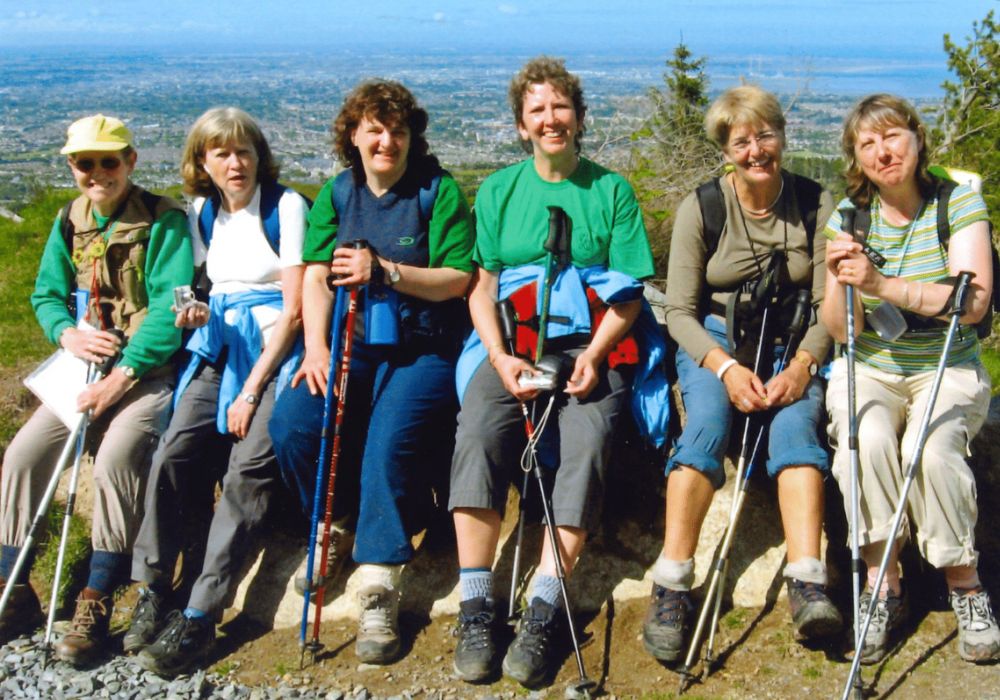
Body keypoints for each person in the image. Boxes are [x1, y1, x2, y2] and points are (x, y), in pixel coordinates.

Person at [449, 56, 659, 688]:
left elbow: (628, 295)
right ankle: (477, 603)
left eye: (560, 107)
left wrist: (594, 358)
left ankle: (545, 602)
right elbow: (482, 288)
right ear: (521, 125)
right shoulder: (499, 190)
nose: (550, 120)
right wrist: (499, 357)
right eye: (537, 110)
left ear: (578, 116)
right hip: (515, 343)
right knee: (480, 433)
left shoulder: (610, 190)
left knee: (587, 441)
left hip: (591, 344)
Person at [268, 80, 475, 665]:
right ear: (353, 136)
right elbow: (314, 273)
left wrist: (386, 271)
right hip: (351, 345)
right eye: (375, 130)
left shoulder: (437, 193)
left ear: (413, 137)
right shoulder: (338, 193)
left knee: (388, 444)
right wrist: (314, 351)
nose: (387, 141)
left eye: (398, 131)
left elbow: (459, 278)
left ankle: (380, 581)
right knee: (295, 423)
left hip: (424, 348)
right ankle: (332, 526)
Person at [643, 85, 843, 663]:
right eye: (741, 141)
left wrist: (805, 366)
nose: (756, 150)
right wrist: (725, 368)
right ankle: (673, 582)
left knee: (796, 433)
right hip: (717, 341)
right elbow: (678, 311)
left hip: (791, 341)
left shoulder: (815, 204)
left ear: (782, 136)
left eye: (765, 135)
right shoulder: (703, 207)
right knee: (704, 426)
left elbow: (832, 304)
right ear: (725, 150)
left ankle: (807, 581)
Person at [0, 115, 192, 665]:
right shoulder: (69, 221)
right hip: (81, 372)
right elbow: (46, 295)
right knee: (21, 458)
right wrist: (66, 333)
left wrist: (120, 378)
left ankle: (97, 598)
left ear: (131, 161)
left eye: (109, 161)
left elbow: (168, 313)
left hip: (144, 373)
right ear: (71, 167)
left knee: (115, 460)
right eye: (85, 163)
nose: (97, 173)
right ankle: (14, 588)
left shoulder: (164, 222)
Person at [124, 108, 309, 676]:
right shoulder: (202, 213)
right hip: (218, 347)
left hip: (274, 356)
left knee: (247, 468)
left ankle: (202, 613)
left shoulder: (286, 208)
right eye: (221, 153)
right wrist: (194, 313)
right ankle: (155, 585)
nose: (236, 163)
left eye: (245, 150)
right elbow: (200, 288)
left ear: (260, 154)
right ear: (202, 161)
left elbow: (297, 310)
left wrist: (251, 392)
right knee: (173, 451)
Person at [820, 93, 999, 664]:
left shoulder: (957, 204)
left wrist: (882, 285)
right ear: (857, 158)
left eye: (892, 136)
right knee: (864, 441)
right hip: (870, 366)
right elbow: (840, 331)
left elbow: (972, 301)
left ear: (917, 140)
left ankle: (964, 583)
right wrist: (838, 282)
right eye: (867, 143)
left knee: (930, 446)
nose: (882, 151)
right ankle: (882, 584)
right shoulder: (847, 218)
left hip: (946, 365)